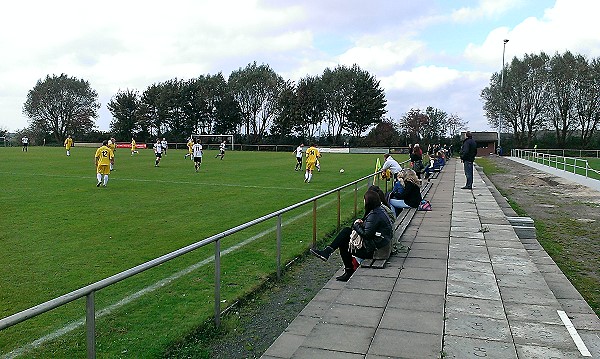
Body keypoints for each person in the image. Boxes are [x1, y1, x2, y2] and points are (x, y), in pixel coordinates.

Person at [310, 190, 392, 282]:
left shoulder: (374, 214)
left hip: (378, 252)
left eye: (364, 200)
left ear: (369, 201)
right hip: (380, 246)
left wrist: (356, 225)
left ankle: (346, 268)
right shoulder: (378, 210)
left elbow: (367, 235)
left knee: (344, 242)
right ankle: (329, 253)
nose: (364, 202)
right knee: (346, 233)